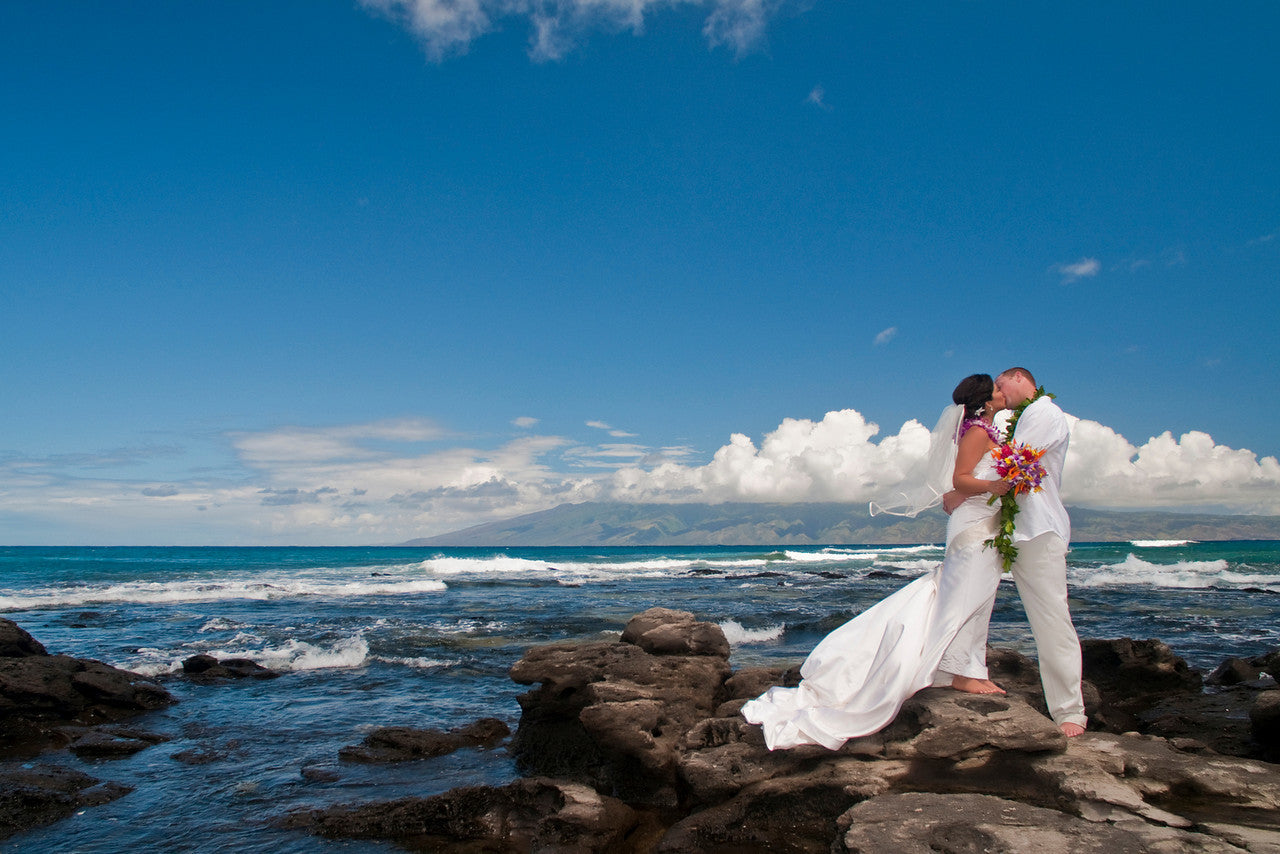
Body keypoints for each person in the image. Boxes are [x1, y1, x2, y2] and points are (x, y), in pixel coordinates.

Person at [741, 374, 1012, 750]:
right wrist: (997, 486)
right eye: (997, 389)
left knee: (978, 599)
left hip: (986, 522)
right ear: (984, 400)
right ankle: (959, 673)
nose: (1003, 393)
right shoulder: (977, 434)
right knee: (964, 597)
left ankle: (966, 669)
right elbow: (961, 479)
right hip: (973, 525)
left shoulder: (989, 432)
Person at [945, 367, 1087, 737]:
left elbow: (1018, 461)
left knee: (1051, 618)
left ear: (1020, 379)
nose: (1000, 393)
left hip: (1038, 528)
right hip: (1007, 528)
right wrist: (972, 485)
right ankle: (962, 670)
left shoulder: (1043, 412)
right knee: (976, 600)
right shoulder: (1018, 418)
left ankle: (1070, 712)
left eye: (1001, 385)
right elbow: (1004, 463)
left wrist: (963, 489)